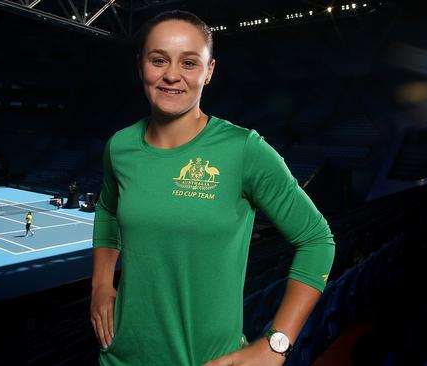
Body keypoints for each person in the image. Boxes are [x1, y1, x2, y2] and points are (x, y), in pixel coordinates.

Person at [90, 10, 335, 366]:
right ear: (141, 65)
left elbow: (317, 239)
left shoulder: (244, 150)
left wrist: (275, 344)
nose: (172, 75)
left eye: (189, 63)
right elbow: (108, 209)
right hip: (119, 357)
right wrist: (100, 284)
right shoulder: (120, 146)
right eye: (158, 60)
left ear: (209, 71)